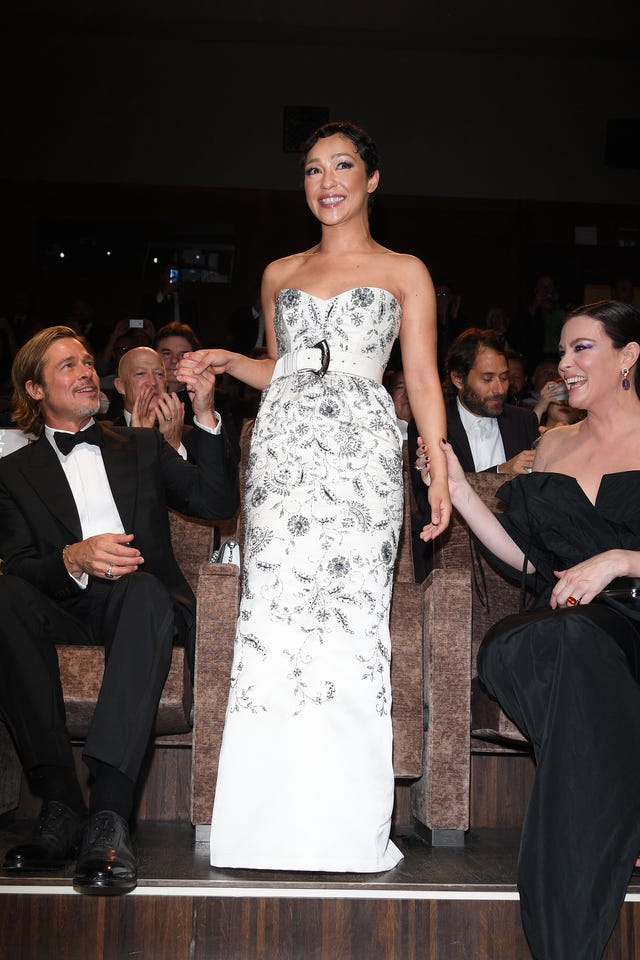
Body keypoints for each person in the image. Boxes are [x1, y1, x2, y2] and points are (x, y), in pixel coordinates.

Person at [177, 120, 450, 872]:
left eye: (342, 166)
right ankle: (259, 828)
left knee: (351, 628)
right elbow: (287, 367)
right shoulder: (278, 273)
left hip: (363, 456)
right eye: (312, 170)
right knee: (273, 626)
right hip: (282, 452)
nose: (327, 182)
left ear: (371, 179)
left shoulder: (406, 271)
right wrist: (233, 361)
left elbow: (421, 379)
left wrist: (436, 464)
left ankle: (344, 828)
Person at [418, 299, 640, 959]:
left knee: (579, 670)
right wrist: (460, 490)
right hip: (560, 625)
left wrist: (620, 560)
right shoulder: (552, 445)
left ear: (629, 357)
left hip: (630, 620)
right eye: (562, 350)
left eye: (582, 348)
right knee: (526, 643)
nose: (564, 363)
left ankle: (561, 941)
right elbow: (528, 561)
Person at [0, 326, 238, 895]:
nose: (86, 372)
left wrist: (205, 415)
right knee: (3, 595)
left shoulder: (140, 446)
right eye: (67, 366)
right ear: (34, 389)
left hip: (137, 599)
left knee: (145, 591)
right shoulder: (11, 473)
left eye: (87, 362)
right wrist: (74, 557)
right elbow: (22, 566)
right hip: (62, 600)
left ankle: (109, 814)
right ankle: (60, 805)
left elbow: (217, 502)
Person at [438, 328, 539, 474]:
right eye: (487, 379)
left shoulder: (524, 421)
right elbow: (431, 486)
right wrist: (500, 471)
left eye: (504, 378)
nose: (500, 389)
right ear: (458, 379)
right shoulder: (435, 426)